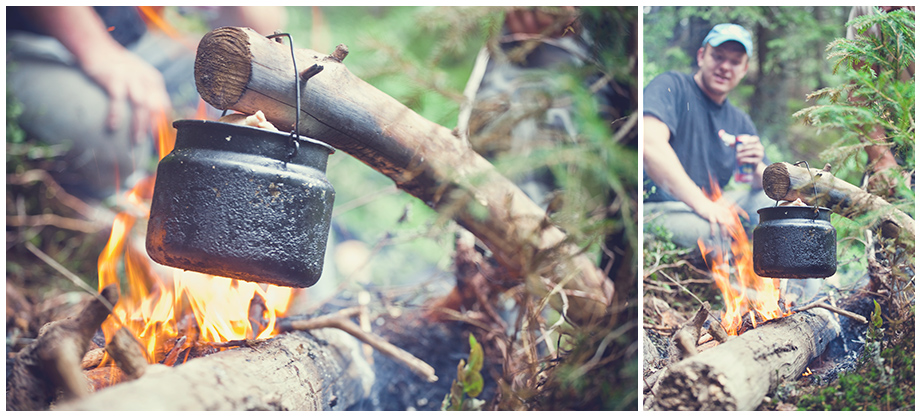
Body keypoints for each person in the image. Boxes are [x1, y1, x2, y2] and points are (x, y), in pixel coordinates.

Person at [6, 6, 286, 200]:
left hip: (132, 42)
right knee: (117, 134)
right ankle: (122, 211)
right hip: (30, 39)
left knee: (252, 81)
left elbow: (261, 28)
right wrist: (97, 49)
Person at [642, 23, 773, 254]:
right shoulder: (671, 86)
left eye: (734, 62)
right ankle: (737, 288)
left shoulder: (739, 120)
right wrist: (702, 204)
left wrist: (757, 166)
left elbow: (765, 185)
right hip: (658, 206)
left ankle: (803, 290)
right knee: (715, 231)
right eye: (718, 57)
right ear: (702, 56)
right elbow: (649, 145)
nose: (725, 67)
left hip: (713, 205)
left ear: (744, 69)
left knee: (775, 208)